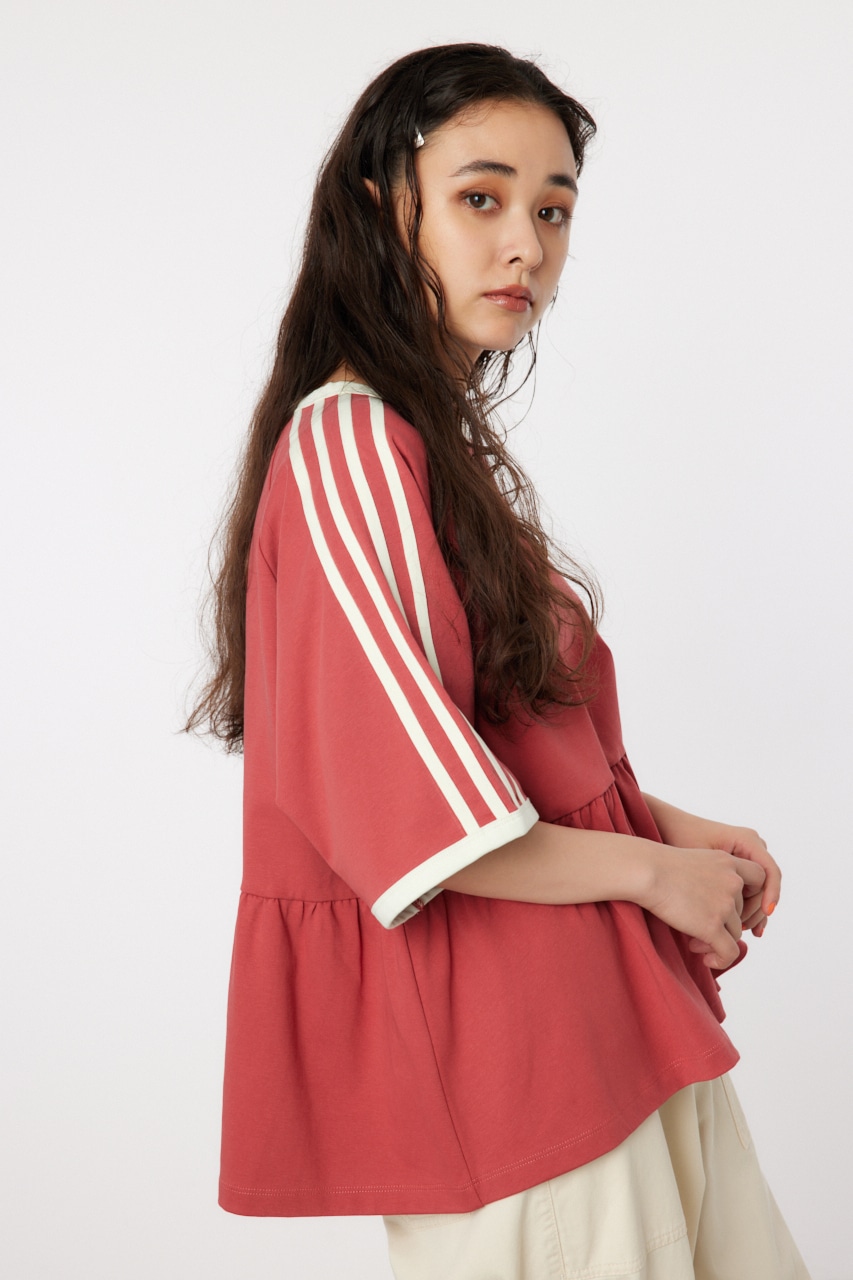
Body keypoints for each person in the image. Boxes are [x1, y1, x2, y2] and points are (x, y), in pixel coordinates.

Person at [187, 42, 811, 1280]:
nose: (524, 244)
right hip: (522, 1082)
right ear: (384, 206)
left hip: (602, 1035)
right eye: (481, 198)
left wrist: (662, 827)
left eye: (553, 210)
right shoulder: (349, 445)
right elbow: (410, 817)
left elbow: (487, 746)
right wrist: (653, 872)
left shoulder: (422, 446)